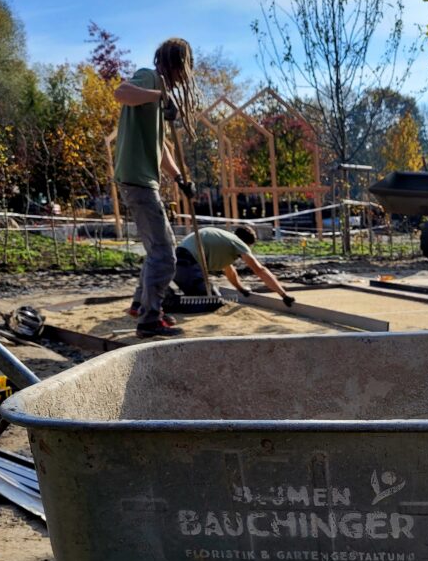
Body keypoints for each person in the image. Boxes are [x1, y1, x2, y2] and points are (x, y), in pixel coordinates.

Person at [114, 37, 199, 338]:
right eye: (184, 68)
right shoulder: (150, 78)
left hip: (141, 178)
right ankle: (150, 320)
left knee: (155, 250)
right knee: (165, 253)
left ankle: (140, 304)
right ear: (176, 64)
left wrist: (179, 179)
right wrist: (159, 94)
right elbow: (120, 92)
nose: (183, 77)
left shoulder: (157, 98)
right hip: (137, 179)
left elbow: (160, 147)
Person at [172, 224, 295, 305]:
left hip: (179, 263)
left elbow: (230, 271)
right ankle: (169, 302)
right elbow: (259, 270)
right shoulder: (239, 243)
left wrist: (241, 289)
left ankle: (171, 298)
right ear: (247, 244)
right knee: (212, 302)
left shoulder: (226, 241)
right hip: (187, 263)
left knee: (204, 297)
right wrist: (284, 295)